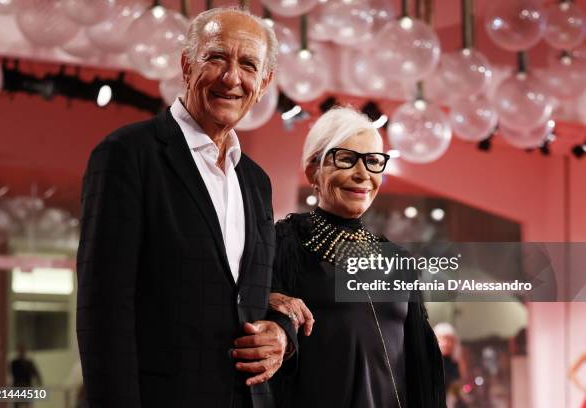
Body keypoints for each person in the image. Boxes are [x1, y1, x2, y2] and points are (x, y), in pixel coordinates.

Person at [76, 8, 297, 408]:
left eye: (248, 65)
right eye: (216, 58)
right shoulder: (127, 155)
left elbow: (251, 292)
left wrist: (282, 331)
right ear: (186, 65)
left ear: (263, 84)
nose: (231, 78)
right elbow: (103, 312)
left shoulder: (257, 182)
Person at [268, 107, 446, 407]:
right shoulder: (286, 244)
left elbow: (419, 365)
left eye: (373, 161)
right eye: (347, 159)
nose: (363, 174)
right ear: (314, 170)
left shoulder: (398, 259)